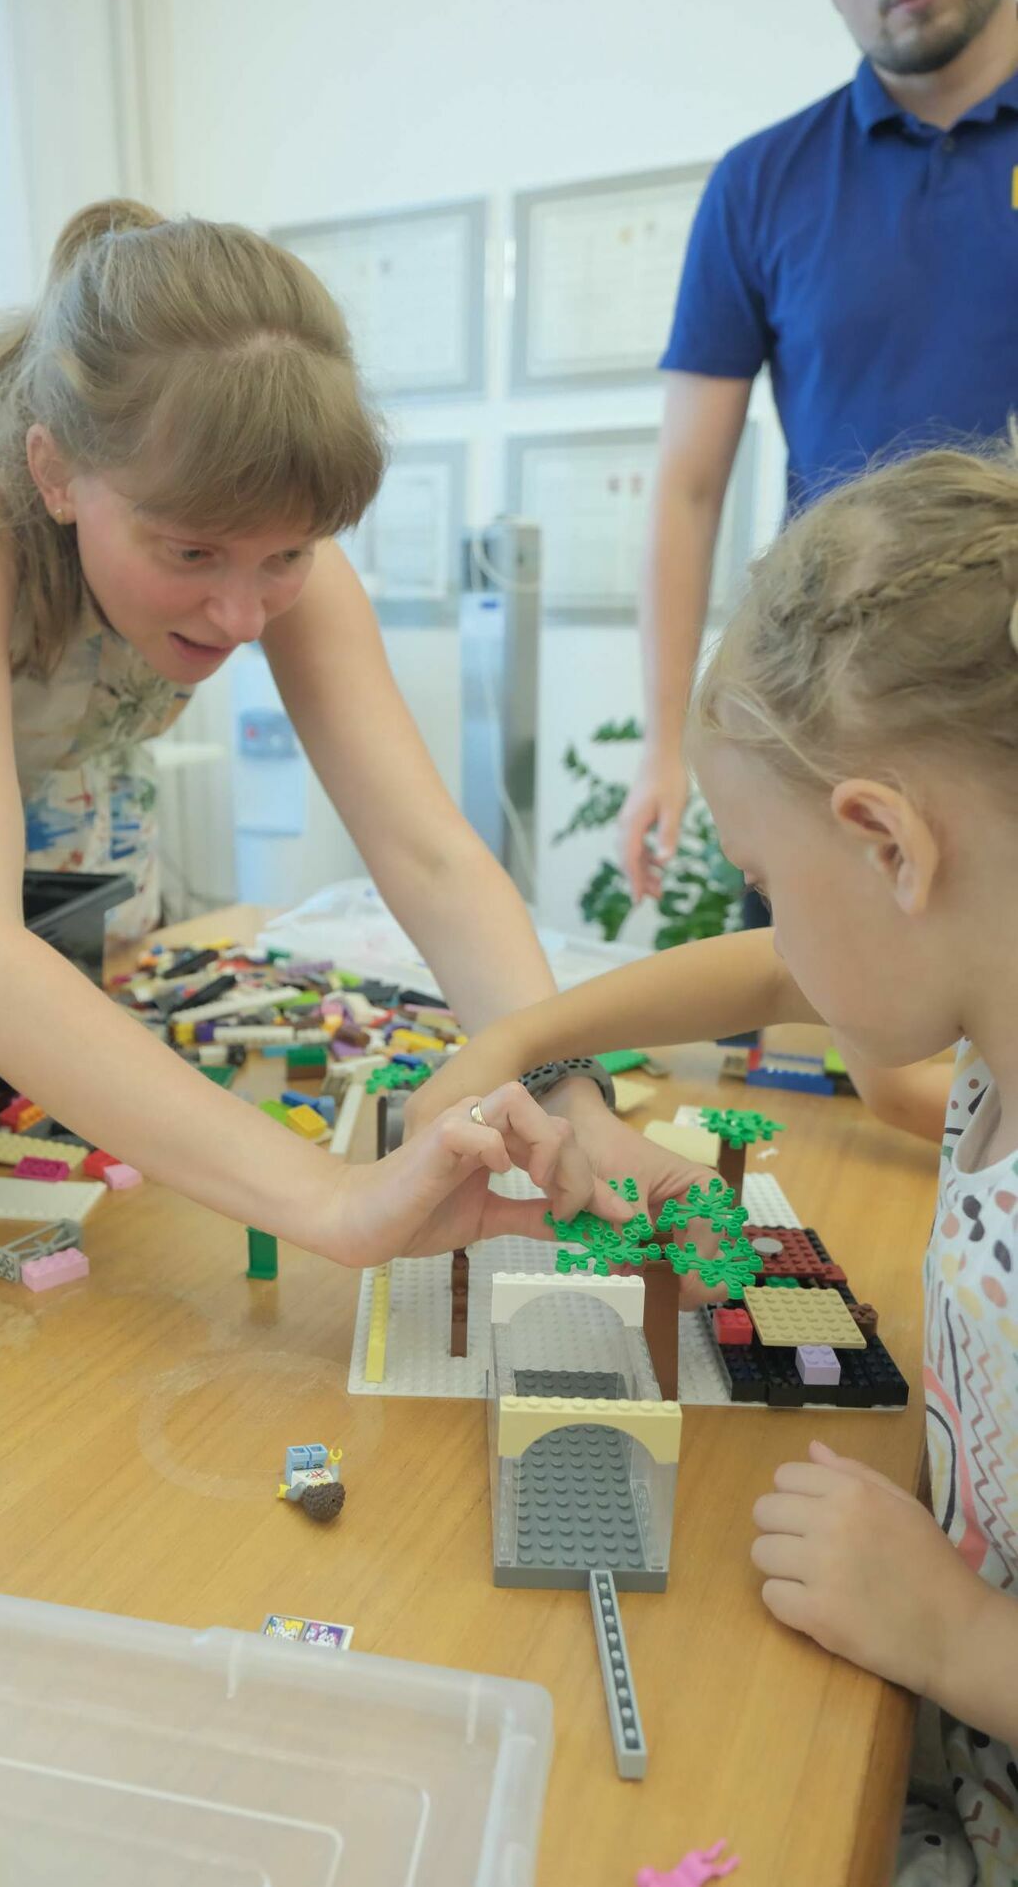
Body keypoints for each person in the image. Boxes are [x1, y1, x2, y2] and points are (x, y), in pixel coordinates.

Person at [0, 196, 705, 1262]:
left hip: (52, 790)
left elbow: (428, 852)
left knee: (22, 1150)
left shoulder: (258, 510)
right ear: (56, 471)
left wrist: (566, 1093)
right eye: (192, 555)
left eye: (286, 559)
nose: (248, 617)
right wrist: (333, 1202)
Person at [419, 440, 1018, 1880]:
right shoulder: (984, 1013)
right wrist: (535, 1043)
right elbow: (772, 971)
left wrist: (959, 1633)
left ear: (886, 841)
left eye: (769, 867)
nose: (776, 932)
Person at [620, 0, 1018, 906]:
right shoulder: (761, 182)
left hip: (1009, 690)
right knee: (808, 1026)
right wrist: (664, 742)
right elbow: (685, 489)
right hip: (830, 712)